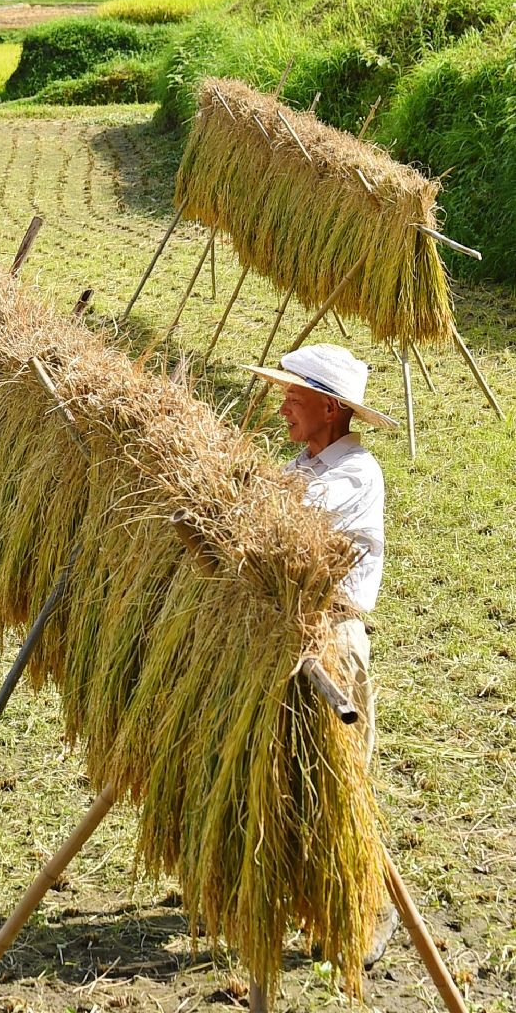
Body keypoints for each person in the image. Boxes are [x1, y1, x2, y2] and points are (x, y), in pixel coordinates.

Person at [246, 342, 399, 964]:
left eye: (293, 393)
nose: (282, 403)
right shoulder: (305, 463)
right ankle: (298, 893)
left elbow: (281, 530)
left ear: (332, 409)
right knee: (290, 778)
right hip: (288, 640)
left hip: (330, 642)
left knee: (337, 786)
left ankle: (368, 912)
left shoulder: (352, 474)